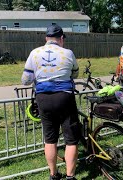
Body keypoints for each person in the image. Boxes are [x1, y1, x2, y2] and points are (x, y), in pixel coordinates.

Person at [21, 24, 80, 180]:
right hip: (64, 97)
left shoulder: (34, 53)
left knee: (50, 139)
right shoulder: (68, 53)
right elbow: (75, 73)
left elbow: (25, 80)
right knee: (71, 140)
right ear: (61, 38)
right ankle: (70, 176)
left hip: (43, 99)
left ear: (46, 38)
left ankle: (53, 175)